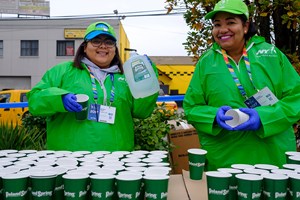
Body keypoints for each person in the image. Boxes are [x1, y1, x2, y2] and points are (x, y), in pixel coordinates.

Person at [183, 0, 300, 171]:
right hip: (224, 160)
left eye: (230, 22)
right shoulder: (206, 63)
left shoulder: (271, 55)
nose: (222, 30)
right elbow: (191, 108)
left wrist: (264, 117)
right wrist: (214, 115)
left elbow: (296, 98)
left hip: (273, 158)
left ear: (245, 26)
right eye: (217, 24)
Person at [27, 21, 158, 151]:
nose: (103, 46)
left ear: (114, 49)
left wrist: (149, 78)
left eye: (109, 42)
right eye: (96, 41)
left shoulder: (126, 77)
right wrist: (59, 99)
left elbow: (142, 112)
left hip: (116, 160)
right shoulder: (62, 71)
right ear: (84, 47)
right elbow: (34, 101)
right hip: (70, 159)